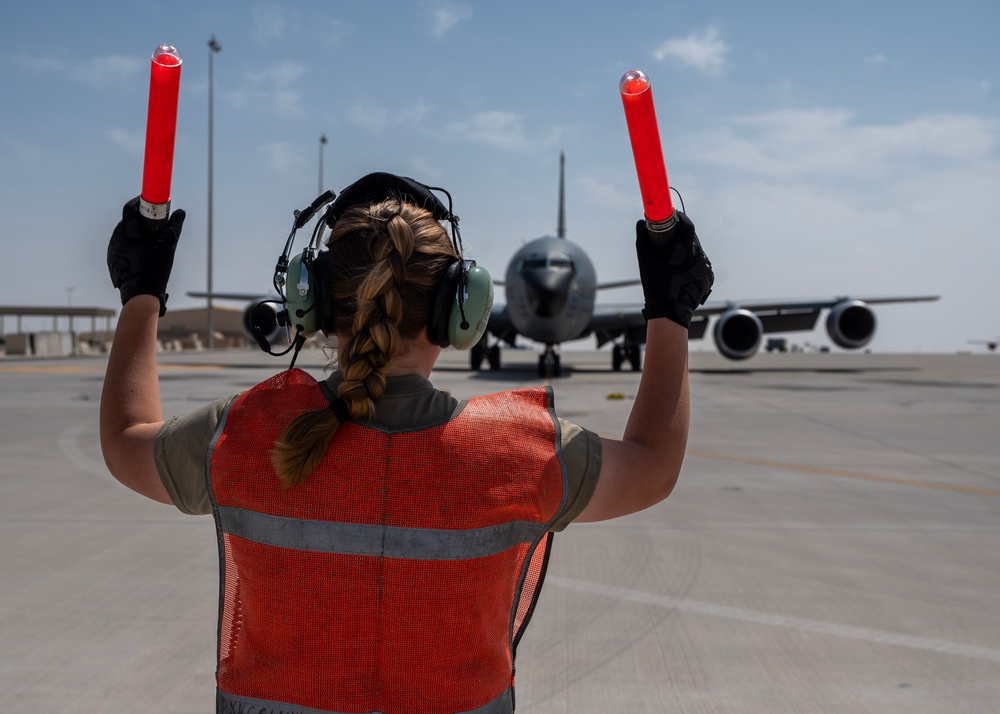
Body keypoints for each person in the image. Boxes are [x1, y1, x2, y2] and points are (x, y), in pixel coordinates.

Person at [100, 172, 713, 714]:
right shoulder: (518, 453)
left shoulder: (246, 432)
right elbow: (654, 465)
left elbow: (127, 441)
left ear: (311, 303)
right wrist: (669, 310)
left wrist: (142, 293)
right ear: (459, 311)